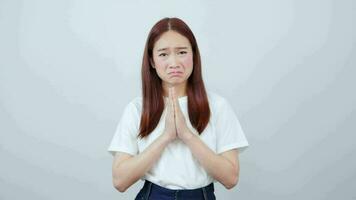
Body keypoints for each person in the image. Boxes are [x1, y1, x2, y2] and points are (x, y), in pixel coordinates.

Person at [107, 17, 249, 200]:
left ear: (194, 55)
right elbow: (120, 181)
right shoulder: (137, 109)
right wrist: (166, 137)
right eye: (163, 54)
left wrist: (187, 135)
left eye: (182, 52)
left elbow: (231, 178)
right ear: (152, 60)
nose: (174, 63)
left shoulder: (218, 106)